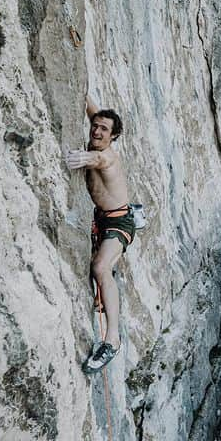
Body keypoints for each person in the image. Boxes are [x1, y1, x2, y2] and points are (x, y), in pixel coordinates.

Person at [65, 96, 134, 374]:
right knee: (101, 271)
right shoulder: (101, 130)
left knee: (100, 267)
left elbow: (98, 158)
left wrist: (83, 158)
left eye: (104, 129)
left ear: (113, 136)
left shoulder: (107, 157)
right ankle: (107, 286)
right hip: (104, 221)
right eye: (95, 126)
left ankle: (112, 340)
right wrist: (84, 98)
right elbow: (93, 111)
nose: (96, 131)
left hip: (120, 223)